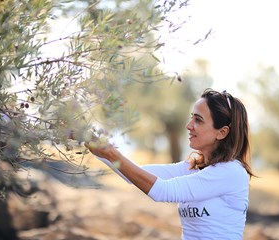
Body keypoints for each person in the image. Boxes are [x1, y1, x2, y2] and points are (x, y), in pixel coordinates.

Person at [85, 88, 254, 240]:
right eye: (191, 118)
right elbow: (133, 174)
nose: (189, 126)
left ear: (222, 132)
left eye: (198, 120)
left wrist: (111, 153)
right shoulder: (192, 168)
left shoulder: (231, 172)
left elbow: (162, 191)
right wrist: (92, 143)